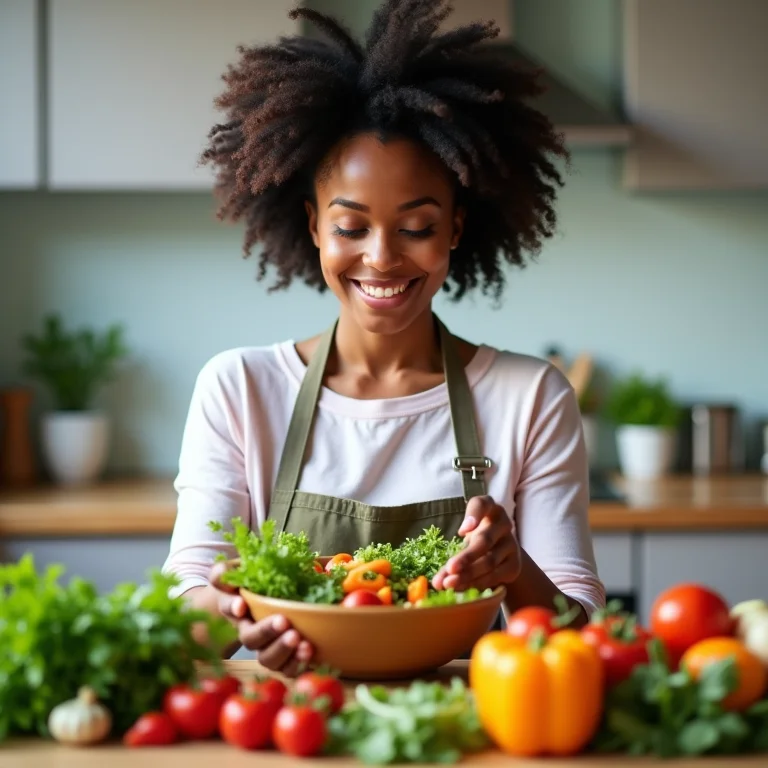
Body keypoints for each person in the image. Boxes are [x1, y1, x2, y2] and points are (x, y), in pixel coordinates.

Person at [162, 0, 605, 676]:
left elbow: (581, 632)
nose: (382, 258)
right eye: (351, 227)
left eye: (417, 227)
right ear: (313, 226)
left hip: (465, 730)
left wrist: (515, 570)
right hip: (300, 727)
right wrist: (235, 613)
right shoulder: (239, 390)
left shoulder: (530, 397)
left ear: (456, 228)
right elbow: (182, 610)